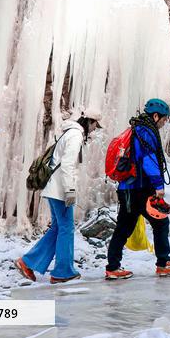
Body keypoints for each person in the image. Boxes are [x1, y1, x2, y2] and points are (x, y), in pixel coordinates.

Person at [15, 110, 102, 284]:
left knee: (58, 228)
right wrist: (70, 191)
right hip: (60, 190)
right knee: (66, 228)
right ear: (89, 122)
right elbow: (67, 165)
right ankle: (62, 271)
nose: (94, 129)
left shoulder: (69, 133)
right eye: (94, 125)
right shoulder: (76, 135)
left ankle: (28, 262)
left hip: (54, 188)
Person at [105, 98, 170, 279]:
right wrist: (158, 185)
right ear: (156, 116)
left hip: (128, 188)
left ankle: (113, 267)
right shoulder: (146, 131)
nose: (164, 124)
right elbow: (148, 159)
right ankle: (163, 263)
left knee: (124, 227)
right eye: (164, 119)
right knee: (160, 222)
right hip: (139, 188)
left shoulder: (136, 129)